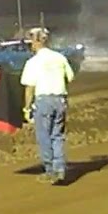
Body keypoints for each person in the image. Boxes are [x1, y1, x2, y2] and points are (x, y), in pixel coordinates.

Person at [20, 27, 76, 185]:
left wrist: (26, 108)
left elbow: (29, 87)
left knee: (44, 136)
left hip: (43, 101)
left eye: (31, 41)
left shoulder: (33, 62)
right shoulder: (60, 58)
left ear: (36, 42)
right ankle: (60, 169)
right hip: (60, 99)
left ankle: (50, 170)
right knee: (57, 136)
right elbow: (69, 77)